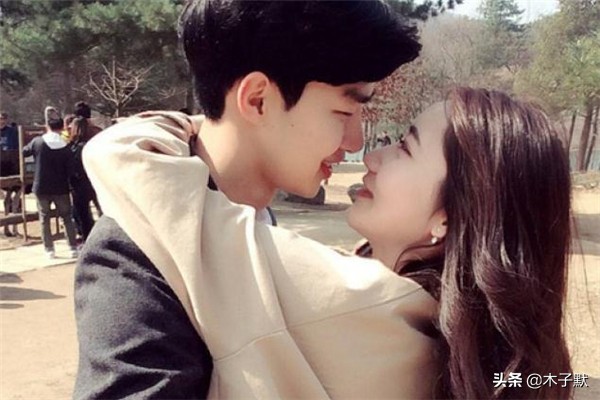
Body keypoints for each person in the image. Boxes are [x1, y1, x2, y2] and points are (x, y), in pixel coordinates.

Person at [82, 87, 573, 399]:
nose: (371, 154)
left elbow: (128, 160)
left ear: (449, 215)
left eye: (405, 147)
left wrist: (196, 121)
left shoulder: (340, 298)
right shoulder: (476, 340)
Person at [74, 0, 421, 398]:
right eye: (344, 113)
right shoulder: (135, 257)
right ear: (257, 100)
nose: (356, 142)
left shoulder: (251, 222)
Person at [23, 107, 78, 259]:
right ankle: (72, 247)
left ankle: (49, 249)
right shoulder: (66, 146)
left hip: (41, 185)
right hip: (61, 187)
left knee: (44, 218)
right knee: (66, 217)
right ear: (61, 128)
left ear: (47, 126)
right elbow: (71, 169)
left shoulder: (38, 142)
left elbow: (24, 151)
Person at [68, 116, 100, 241]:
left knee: (83, 216)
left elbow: (72, 168)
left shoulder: (73, 148)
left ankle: (88, 239)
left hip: (79, 185)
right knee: (102, 211)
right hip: (95, 182)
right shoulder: (94, 145)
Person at [1, 111, 21, 237]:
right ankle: (7, 227)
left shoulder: (12, 132)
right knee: (6, 199)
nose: (1, 121)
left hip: (12, 167)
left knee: (14, 198)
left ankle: (13, 227)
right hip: (1, 168)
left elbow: (17, 148)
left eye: (3, 118)